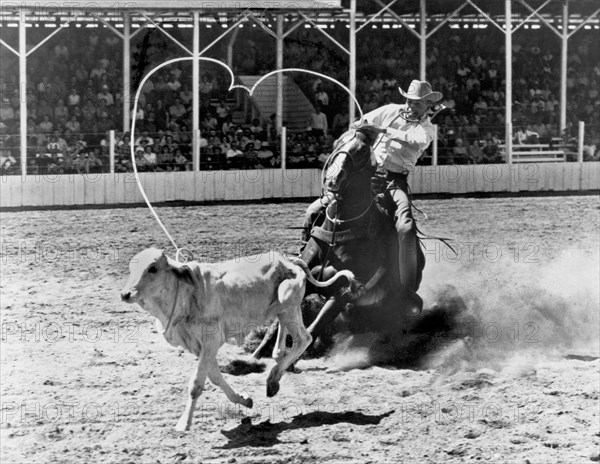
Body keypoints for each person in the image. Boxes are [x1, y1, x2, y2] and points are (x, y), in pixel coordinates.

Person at [303, 79, 443, 315]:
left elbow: (415, 140)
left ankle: (405, 289)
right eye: (410, 100)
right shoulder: (389, 110)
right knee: (314, 210)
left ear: (428, 105)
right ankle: (304, 257)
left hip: (394, 181)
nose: (411, 105)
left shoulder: (428, 128)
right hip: (365, 174)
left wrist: (383, 130)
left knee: (406, 226)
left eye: (418, 103)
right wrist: (358, 133)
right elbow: (359, 124)